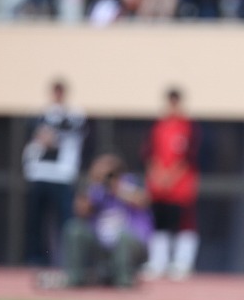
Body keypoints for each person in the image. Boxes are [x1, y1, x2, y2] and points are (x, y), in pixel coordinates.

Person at [23, 77, 87, 267]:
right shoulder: (41, 115)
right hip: (40, 174)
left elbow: (70, 130)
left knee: (65, 222)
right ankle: (36, 259)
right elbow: (35, 134)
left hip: (62, 175)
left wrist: (51, 134)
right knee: (36, 221)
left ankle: (67, 260)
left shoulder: (73, 115)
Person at [62, 153, 152, 288]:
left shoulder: (129, 181)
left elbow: (142, 200)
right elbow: (80, 210)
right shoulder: (95, 188)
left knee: (123, 237)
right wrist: (92, 185)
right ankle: (75, 278)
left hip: (130, 243)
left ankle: (124, 281)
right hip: (101, 242)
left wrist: (115, 186)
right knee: (75, 229)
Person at [141, 87, 202, 280]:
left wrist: (171, 176)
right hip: (159, 187)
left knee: (183, 223)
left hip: (180, 187)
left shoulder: (189, 127)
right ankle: (158, 262)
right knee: (159, 223)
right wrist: (158, 174)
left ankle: (182, 263)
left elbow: (189, 157)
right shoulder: (158, 127)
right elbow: (149, 154)